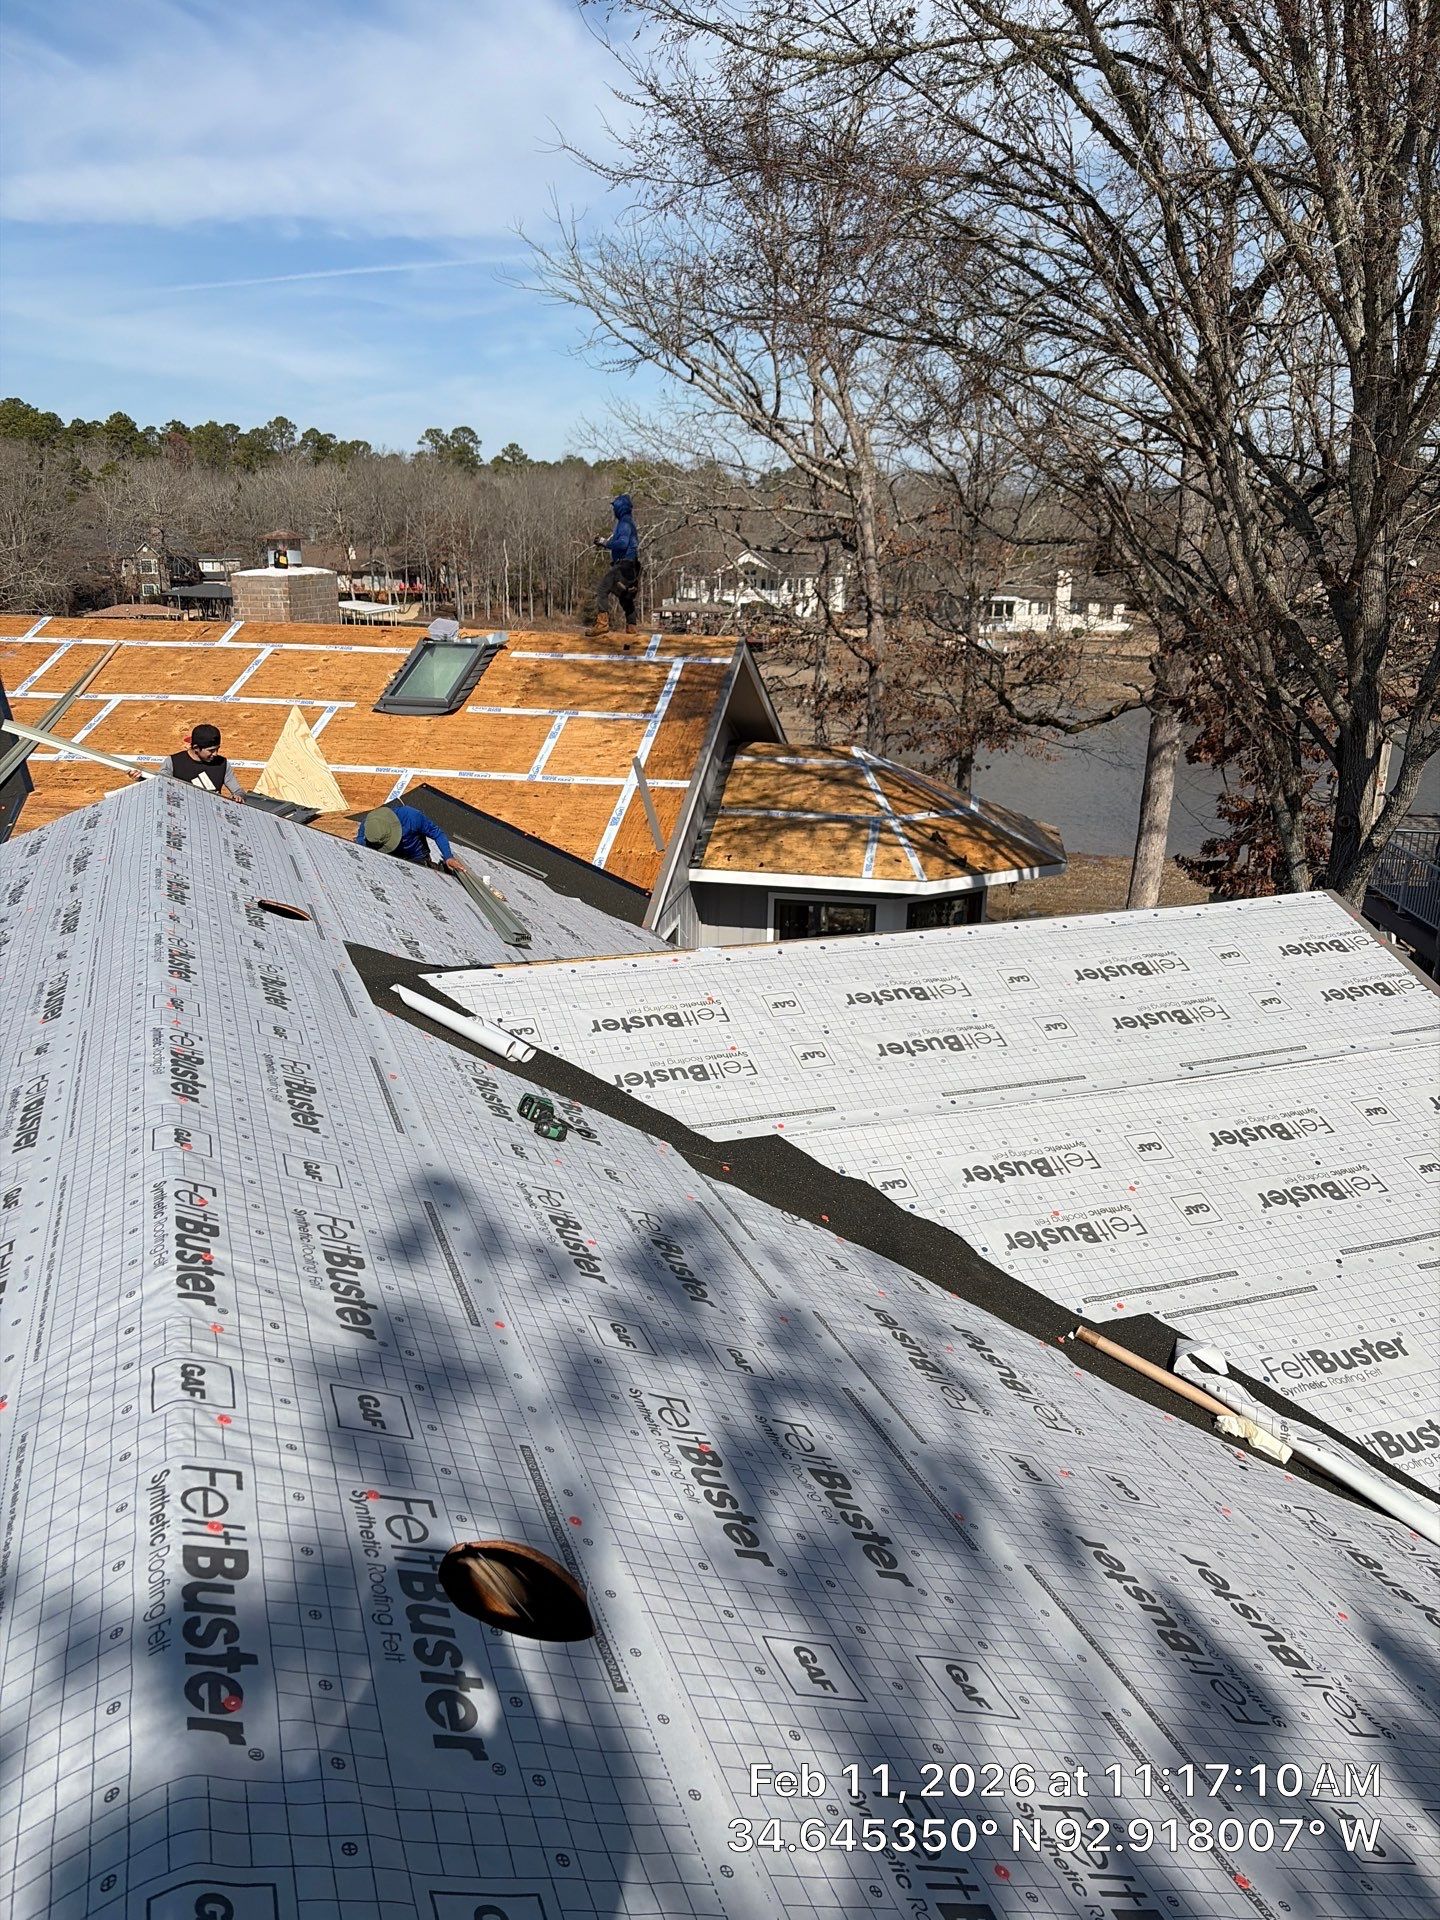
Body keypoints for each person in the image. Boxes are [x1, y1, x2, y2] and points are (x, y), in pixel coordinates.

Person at [586, 493, 641, 637]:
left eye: (615, 508)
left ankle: (602, 624)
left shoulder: (624, 523)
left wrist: (605, 543)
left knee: (602, 588)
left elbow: (622, 544)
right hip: (632, 566)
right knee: (624, 595)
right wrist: (605, 541)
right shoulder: (629, 522)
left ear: (620, 508)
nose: (613, 511)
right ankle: (632, 627)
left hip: (624, 564)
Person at [356, 804, 468, 873]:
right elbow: (361, 845)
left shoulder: (411, 817)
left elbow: (437, 834)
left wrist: (448, 857)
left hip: (417, 858)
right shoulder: (369, 827)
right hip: (389, 860)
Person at [165, 724, 245, 801]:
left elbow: (238, 791)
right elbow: (161, 787)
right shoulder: (173, 763)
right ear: (196, 748)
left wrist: (238, 796)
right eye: (211, 750)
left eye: (217, 749)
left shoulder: (222, 764)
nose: (215, 754)